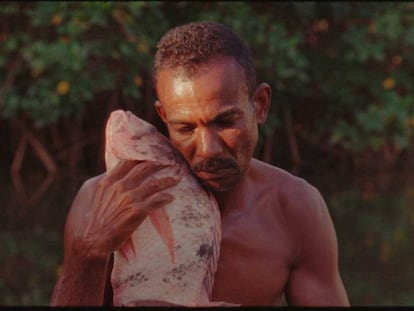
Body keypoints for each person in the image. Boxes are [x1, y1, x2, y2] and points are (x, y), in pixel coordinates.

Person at [50, 21, 350, 306]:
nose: (208, 150)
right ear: (164, 118)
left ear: (259, 105)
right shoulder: (99, 203)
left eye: (225, 121)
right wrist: (87, 253)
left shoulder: (295, 208)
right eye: (185, 128)